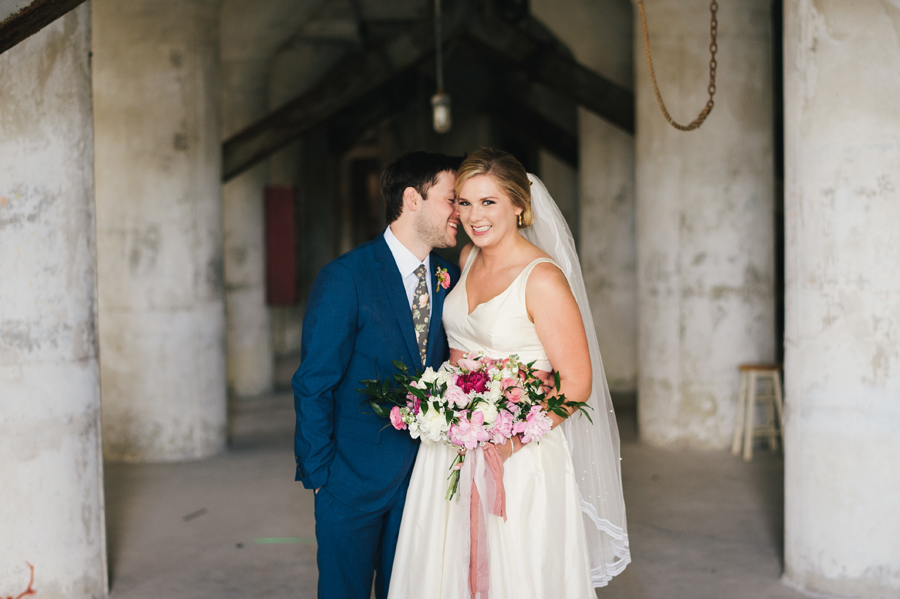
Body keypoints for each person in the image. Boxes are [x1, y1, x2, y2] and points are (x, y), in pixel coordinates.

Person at [388, 147, 631, 598]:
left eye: (488, 202)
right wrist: (444, 407)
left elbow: (576, 384)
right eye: (463, 201)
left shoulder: (542, 279)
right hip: (451, 448)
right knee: (442, 570)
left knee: (516, 573)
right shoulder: (466, 260)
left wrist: (508, 442)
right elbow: (459, 357)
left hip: (520, 457)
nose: (473, 215)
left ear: (519, 206)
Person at [293, 150, 463, 599]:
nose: (460, 213)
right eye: (452, 199)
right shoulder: (345, 277)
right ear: (413, 199)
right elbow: (314, 382)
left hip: (423, 478)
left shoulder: (452, 276)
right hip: (349, 479)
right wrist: (321, 476)